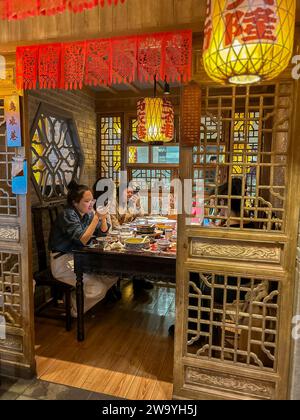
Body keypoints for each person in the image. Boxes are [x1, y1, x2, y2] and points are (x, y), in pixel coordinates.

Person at [48, 180, 119, 317]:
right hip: (63, 260)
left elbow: (101, 233)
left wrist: (103, 219)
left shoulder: (86, 214)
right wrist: (96, 218)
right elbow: (82, 239)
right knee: (98, 289)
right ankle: (74, 309)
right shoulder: (68, 215)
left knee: (113, 274)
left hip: (79, 258)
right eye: (87, 201)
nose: (91, 203)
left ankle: (77, 299)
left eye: (92, 200)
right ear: (75, 202)